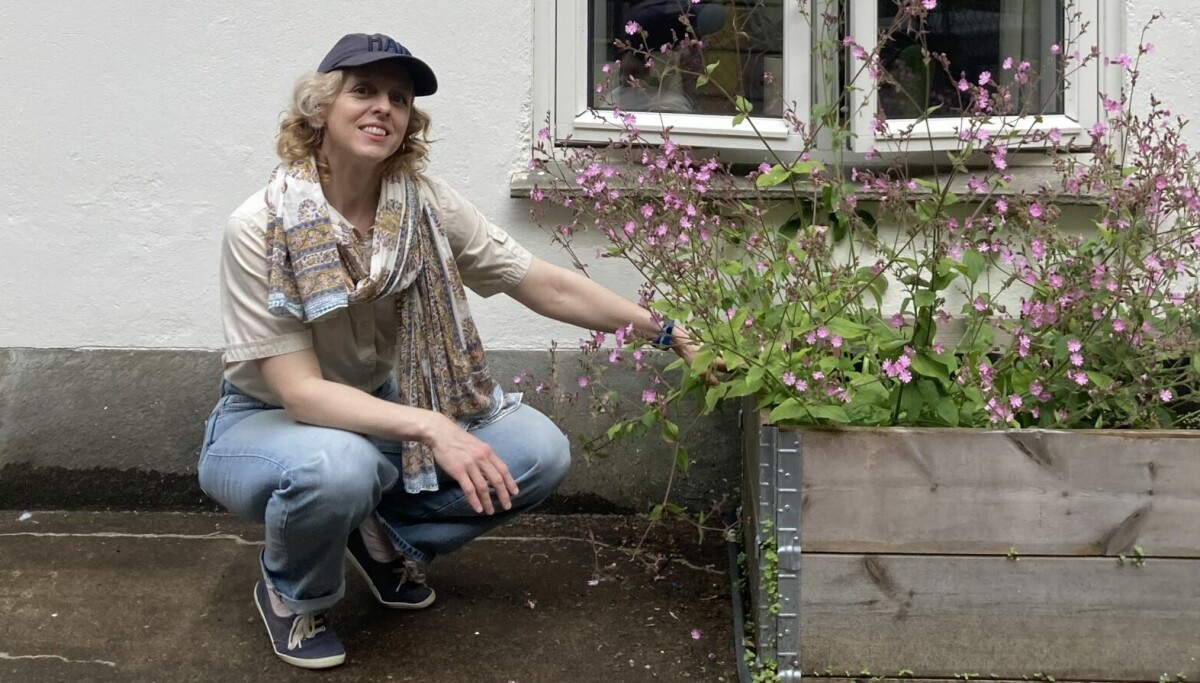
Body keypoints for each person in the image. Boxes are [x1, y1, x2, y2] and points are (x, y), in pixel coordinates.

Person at [198, 32, 705, 670]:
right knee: (338, 467)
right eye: (363, 91)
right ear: (319, 108)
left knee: (537, 452)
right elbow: (300, 394)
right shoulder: (261, 226)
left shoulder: (422, 206)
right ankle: (291, 590)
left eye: (399, 98)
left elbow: (542, 283)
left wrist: (666, 331)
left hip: (379, 409)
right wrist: (432, 425)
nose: (383, 107)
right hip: (266, 422)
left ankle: (380, 536)